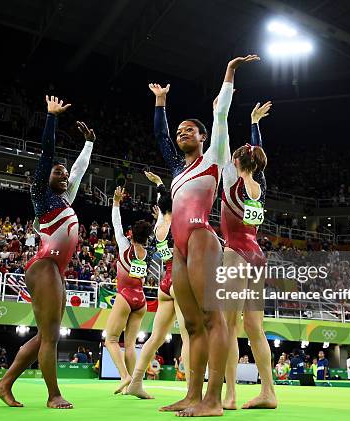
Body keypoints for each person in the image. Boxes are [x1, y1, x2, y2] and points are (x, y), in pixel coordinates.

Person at [149, 55, 257, 416]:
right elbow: (160, 136)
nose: (182, 134)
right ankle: (192, 395)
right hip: (178, 247)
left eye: (189, 130)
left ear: (203, 136)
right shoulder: (179, 171)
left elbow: (222, 114)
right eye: (179, 131)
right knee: (192, 325)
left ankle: (214, 399)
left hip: (201, 238)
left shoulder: (214, 156)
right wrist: (161, 103)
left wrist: (228, 72)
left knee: (214, 320)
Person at [0, 95, 95, 410]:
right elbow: (47, 154)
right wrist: (52, 117)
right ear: (45, 178)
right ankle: (53, 395)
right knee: (50, 337)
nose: (64, 177)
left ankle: (4, 384)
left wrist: (89, 144)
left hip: (57, 271)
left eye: (64, 175)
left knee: (45, 335)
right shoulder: (42, 196)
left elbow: (77, 172)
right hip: (44, 266)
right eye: (57, 173)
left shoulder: (64, 200)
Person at [220, 79, 274, 408]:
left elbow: (222, 137)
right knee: (254, 327)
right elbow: (256, 155)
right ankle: (268, 392)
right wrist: (254, 125)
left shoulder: (231, 178)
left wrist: (223, 108)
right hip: (256, 255)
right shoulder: (261, 185)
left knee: (228, 325)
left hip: (235, 253)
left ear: (237, 162)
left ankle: (230, 393)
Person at [126, 172, 189, 400]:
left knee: (156, 337)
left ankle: (135, 382)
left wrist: (160, 185)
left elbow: (164, 203)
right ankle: (193, 391)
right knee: (188, 336)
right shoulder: (181, 224)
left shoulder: (159, 227)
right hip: (182, 281)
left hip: (165, 283)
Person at [106, 186, 152, 394]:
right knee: (131, 345)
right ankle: (135, 386)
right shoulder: (146, 253)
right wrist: (160, 218)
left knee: (112, 339)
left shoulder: (125, 246)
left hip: (125, 296)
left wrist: (116, 202)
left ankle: (125, 376)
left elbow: (116, 223)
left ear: (131, 233)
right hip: (140, 300)